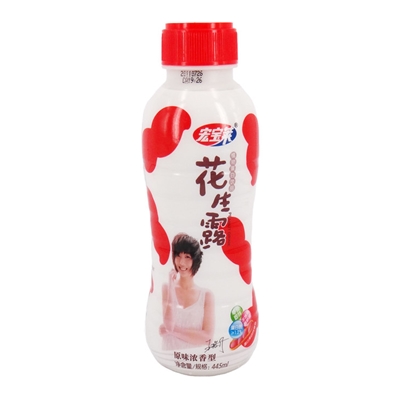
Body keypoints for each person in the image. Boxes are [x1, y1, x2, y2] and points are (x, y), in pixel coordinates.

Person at [159, 233, 215, 350]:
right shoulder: (167, 288)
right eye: (178, 256)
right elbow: (169, 324)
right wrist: (171, 284)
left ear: (195, 260)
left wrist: (173, 331)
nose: (181, 262)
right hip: (169, 355)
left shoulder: (206, 295)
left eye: (187, 257)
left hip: (196, 357)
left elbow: (207, 338)